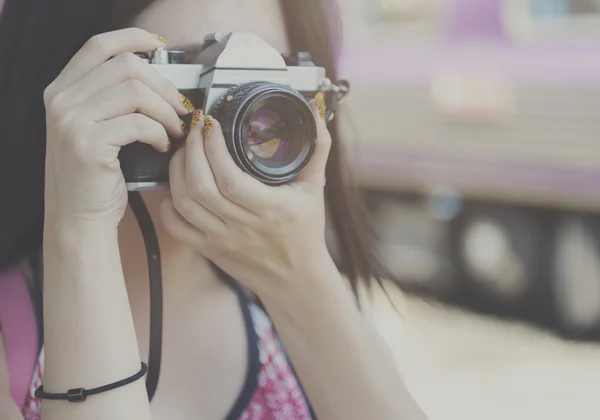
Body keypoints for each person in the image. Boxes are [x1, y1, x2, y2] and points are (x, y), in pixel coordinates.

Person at [0, 0, 427, 419]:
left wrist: (299, 277)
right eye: (190, 64)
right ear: (70, 91)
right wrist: (81, 232)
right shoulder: (11, 334)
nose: (252, 114)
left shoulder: (288, 315)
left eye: (269, 71)